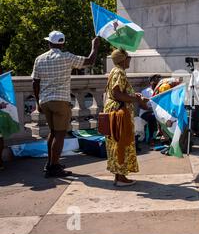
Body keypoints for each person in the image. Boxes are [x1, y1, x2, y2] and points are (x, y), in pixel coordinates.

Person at [32, 31, 100, 178]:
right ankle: (54, 167)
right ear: (62, 43)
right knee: (60, 134)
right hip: (61, 100)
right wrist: (94, 46)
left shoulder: (39, 59)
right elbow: (89, 61)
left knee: (52, 132)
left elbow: (35, 82)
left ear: (49, 43)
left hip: (45, 100)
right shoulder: (66, 57)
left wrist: (38, 102)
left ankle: (50, 163)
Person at [104, 49, 149, 186]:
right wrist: (135, 100)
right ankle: (121, 177)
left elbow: (121, 91)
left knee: (118, 141)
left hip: (117, 109)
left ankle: (119, 175)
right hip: (120, 111)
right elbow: (117, 94)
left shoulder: (115, 70)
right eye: (128, 57)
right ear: (123, 59)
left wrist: (135, 96)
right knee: (122, 142)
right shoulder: (119, 72)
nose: (130, 59)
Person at [139, 74, 162, 145]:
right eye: (154, 81)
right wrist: (152, 109)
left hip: (157, 112)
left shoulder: (161, 91)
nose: (156, 83)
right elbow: (141, 105)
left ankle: (164, 136)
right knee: (152, 116)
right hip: (146, 113)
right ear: (150, 82)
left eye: (158, 81)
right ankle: (151, 138)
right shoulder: (145, 92)